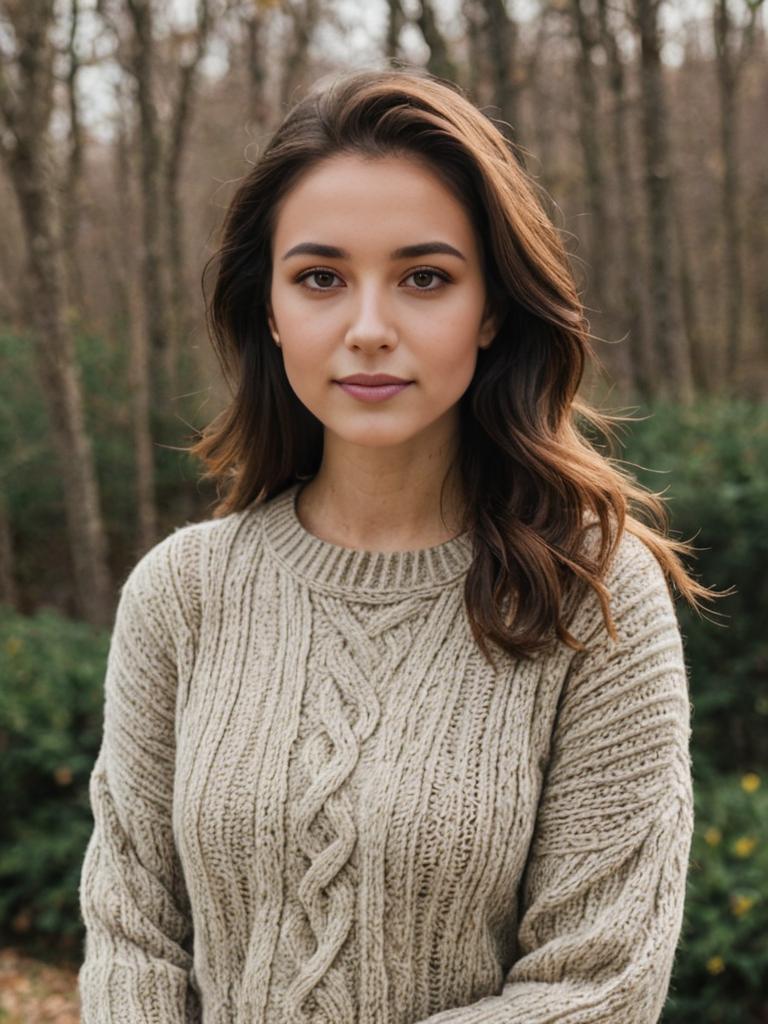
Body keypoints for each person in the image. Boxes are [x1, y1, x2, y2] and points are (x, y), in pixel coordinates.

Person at [77, 65, 719, 1024]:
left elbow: (599, 987)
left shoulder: (591, 594)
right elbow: (132, 934)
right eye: (321, 278)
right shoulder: (184, 592)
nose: (368, 329)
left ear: (492, 307)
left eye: (425, 278)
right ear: (271, 309)